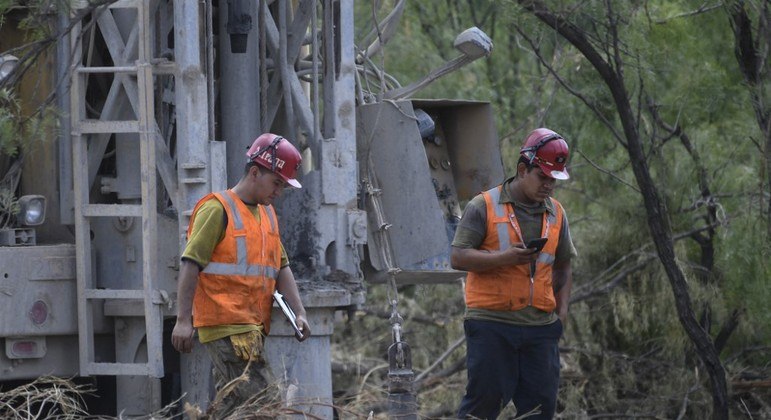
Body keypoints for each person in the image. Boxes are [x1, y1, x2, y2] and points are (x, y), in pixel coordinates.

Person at [171, 133, 312, 416]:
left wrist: (300, 312)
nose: (278, 192)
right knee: (267, 403)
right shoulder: (217, 209)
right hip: (226, 327)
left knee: (236, 408)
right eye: (276, 183)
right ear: (255, 172)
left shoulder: (267, 215)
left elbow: (281, 267)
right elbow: (190, 264)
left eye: (283, 186)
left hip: (252, 328)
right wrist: (183, 320)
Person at [452, 128, 576, 419]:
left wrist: (562, 314)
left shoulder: (557, 213)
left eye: (554, 180)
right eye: (542, 177)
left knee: (538, 411)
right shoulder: (483, 206)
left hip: (541, 329)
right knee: (482, 408)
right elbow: (457, 257)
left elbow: (564, 265)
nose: (548, 186)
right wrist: (505, 258)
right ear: (523, 170)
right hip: (492, 325)